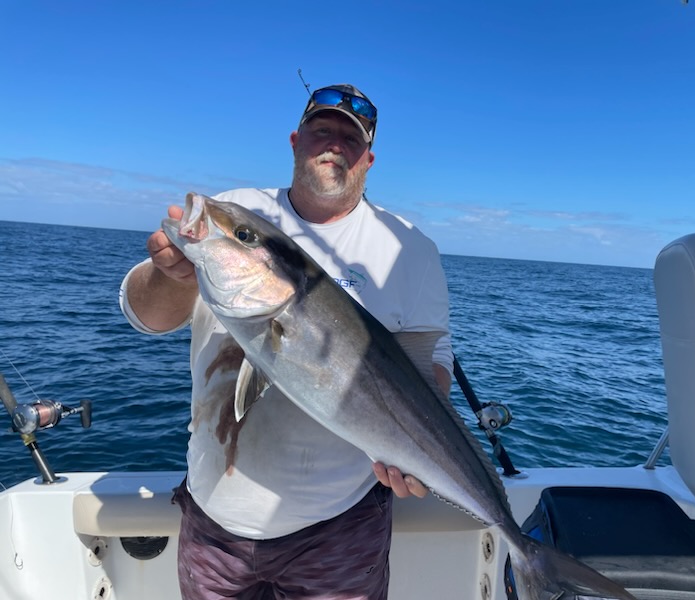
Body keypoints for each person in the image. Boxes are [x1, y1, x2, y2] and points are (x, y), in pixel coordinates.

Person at [119, 83, 453, 600]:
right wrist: (170, 274)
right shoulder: (236, 210)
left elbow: (434, 363)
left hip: (343, 526)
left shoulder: (410, 248)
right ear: (296, 140)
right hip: (214, 520)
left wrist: (418, 443)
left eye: (352, 138)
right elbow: (146, 317)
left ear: (369, 158)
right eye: (322, 129)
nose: (334, 143)